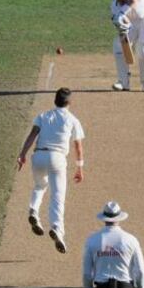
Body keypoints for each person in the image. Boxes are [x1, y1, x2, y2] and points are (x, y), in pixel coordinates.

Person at [16, 87, 85, 254]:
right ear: (69, 102)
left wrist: (22, 154)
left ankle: (33, 210)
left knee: (40, 186)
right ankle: (57, 231)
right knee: (57, 196)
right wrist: (79, 167)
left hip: (38, 157)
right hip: (57, 158)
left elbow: (32, 135)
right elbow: (78, 146)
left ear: (55, 100)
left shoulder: (43, 116)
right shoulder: (73, 120)